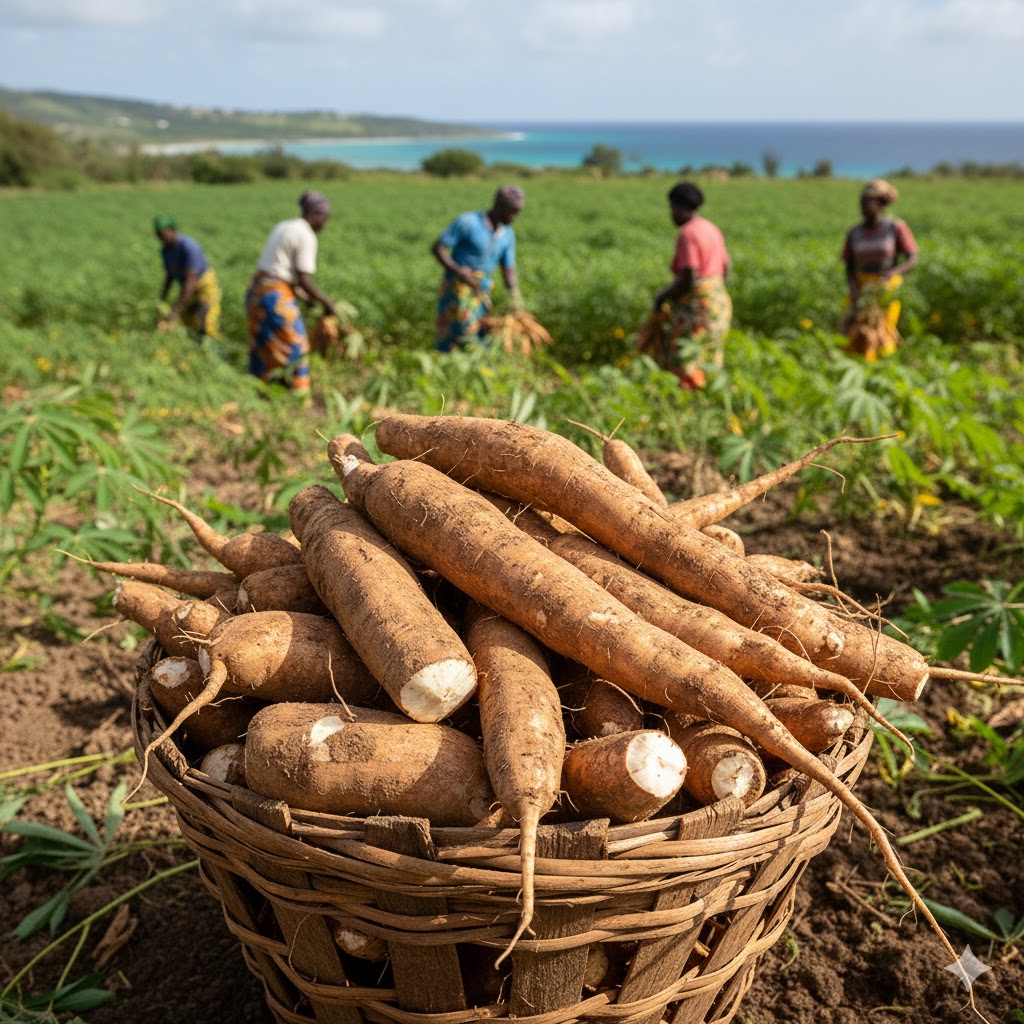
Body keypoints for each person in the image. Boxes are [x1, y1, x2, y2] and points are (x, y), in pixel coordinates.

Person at [245, 190, 337, 393]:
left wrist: (306, 299)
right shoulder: (306, 235)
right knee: (297, 346)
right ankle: (299, 398)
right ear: (316, 214)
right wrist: (327, 303)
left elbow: (282, 271)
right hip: (274, 296)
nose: (325, 224)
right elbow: (304, 279)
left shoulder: (284, 226)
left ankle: (259, 391)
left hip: (256, 290)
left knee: (263, 343)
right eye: (325, 218)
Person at [646, 182, 732, 389]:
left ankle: (686, 403)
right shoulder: (711, 228)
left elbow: (689, 277)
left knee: (687, 356)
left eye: (671, 208)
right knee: (709, 357)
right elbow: (726, 266)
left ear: (677, 206)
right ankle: (707, 399)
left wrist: (662, 297)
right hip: (719, 303)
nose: (671, 214)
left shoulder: (688, 234)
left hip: (698, 308)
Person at [431, 185, 525, 352]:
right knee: (456, 329)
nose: (514, 216)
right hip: (457, 286)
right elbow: (438, 249)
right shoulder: (468, 222)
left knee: (481, 328)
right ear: (499, 206)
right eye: (512, 211)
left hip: (482, 288)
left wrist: (514, 294)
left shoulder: (508, 234)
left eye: (517, 212)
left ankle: (473, 365)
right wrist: (459, 271)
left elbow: (508, 268)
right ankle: (447, 361)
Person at [839, 179, 918, 361]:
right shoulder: (854, 232)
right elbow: (849, 267)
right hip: (861, 286)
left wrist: (892, 274)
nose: (864, 207)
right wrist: (855, 290)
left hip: (886, 287)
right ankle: (856, 364)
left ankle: (883, 366)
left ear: (880, 204)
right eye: (862, 202)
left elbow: (912, 259)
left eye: (868, 202)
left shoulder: (895, 228)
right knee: (853, 329)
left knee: (883, 329)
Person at [153, 214, 221, 340]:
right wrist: (161, 300)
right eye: (158, 235)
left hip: (204, 289)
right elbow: (169, 276)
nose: (161, 238)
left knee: (206, 325)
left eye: (163, 234)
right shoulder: (166, 250)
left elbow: (191, 282)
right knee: (185, 325)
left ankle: (221, 355)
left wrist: (174, 309)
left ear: (173, 230)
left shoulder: (189, 247)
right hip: (188, 290)